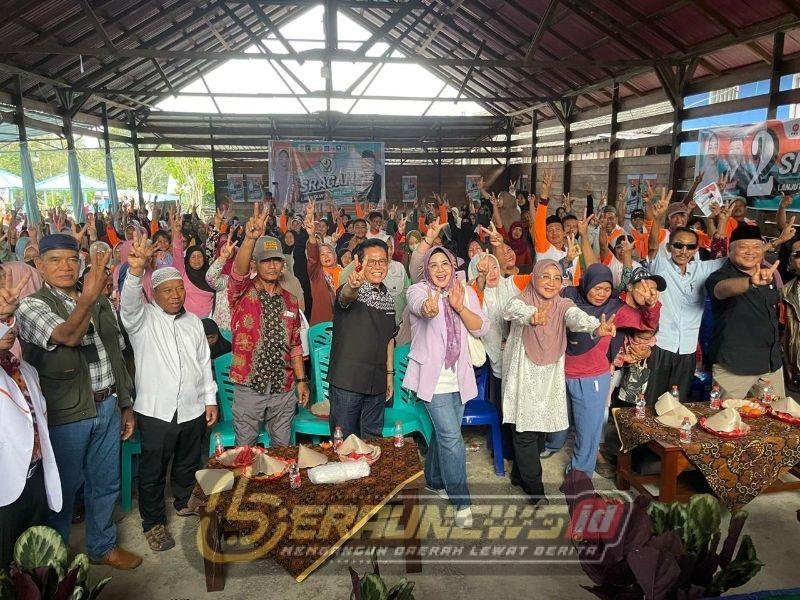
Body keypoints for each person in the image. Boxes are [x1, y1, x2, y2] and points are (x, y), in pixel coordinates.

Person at [16, 234, 140, 569]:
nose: (65, 267)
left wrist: (124, 403)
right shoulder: (32, 305)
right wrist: (89, 297)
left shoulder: (98, 301)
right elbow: (68, 336)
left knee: (106, 483)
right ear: (39, 266)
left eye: (71, 259)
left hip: (107, 405)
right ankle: (54, 562)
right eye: (54, 260)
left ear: (81, 262)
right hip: (65, 414)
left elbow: (116, 352)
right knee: (63, 489)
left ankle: (102, 546)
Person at [120, 234, 218, 552]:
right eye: (168, 291)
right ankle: (153, 524)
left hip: (191, 407)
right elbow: (130, 303)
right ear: (155, 293)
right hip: (156, 410)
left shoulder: (193, 323)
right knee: (152, 470)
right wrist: (135, 272)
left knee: (187, 461)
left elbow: (205, 363)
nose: (175, 295)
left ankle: (182, 500)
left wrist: (210, 399)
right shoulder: (142, 319)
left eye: (179, 289)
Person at [502, 260, 615, 505]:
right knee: (524, 431)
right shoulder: (522, 299)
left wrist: (596, 327)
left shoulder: (564, 305)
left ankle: (519, 474)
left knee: (540, 428)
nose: (551, 283)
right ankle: (535, 490)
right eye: (546, 277)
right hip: (523, 377)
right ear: (534, 277)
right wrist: (532, 316)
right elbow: (511, 309)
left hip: (548, 378)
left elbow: (576, 318)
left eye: (557, 278)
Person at [404, 246, 489, 528]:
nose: (440, 269)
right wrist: (431, 306)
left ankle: (434, 480)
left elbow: (480, 328)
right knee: (453, 438)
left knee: (444, 436)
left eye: (445, 264)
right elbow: (422, 308)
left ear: (453, 267)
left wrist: (459, 306)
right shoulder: (418, 290)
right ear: (427, 269)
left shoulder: (464, 291)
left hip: (459, 377)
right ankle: (461, 502)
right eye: (434, 265)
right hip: (434, 380)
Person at [228, 204, 310, 447]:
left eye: (277, 260)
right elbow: (238, 272)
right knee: (246, 452)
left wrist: (301, 380)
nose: (273, 266)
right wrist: (250, 240)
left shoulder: (290, 300)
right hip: (249, 386)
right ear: (256, 264)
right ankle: (248, 487)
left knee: (282, 452)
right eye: (266, 261)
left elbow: (295, 344)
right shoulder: (241, 293)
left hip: (282, 389)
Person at [0, 272, 63, 571]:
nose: (10, 326)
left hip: (34, 478)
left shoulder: (23, 369)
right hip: (5, 488)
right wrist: (3, 316)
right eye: (4, 320)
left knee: (32, 563)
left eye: (13, 319)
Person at [644, 195, 728, 404]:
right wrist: (658, 218)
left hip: (688, 349)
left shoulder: (701, 268)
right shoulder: (660, 265)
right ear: (670, 246)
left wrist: (722, 222)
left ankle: (668, 437)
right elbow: (652, 246)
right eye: (679, 245)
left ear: (696, 250)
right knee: (652, 399)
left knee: (677, 402)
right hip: (661, 345)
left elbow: (724, 258)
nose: (684, 251)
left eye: (690, 247)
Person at [706, 224, 788, 398]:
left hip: (770, 365)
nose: (750, 252)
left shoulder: (769, 274)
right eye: (743, 247)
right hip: (734, 367)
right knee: (726, 421)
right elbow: (722, 289)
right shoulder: (720, 276)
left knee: (775, 420)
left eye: (756, 247)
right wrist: (750, 282)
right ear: (730, 250)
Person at [328, 239, 397, 439]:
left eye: (382, 261)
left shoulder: (387, 298)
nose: (377, 266)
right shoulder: (349, 288)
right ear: (359, 263)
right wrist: (353, 286)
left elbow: (389, 339)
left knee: (372, 441)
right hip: (348, 382)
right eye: (371, 261)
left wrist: (389, 374)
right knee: (344, 442)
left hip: (377, 383)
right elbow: (345, 297)